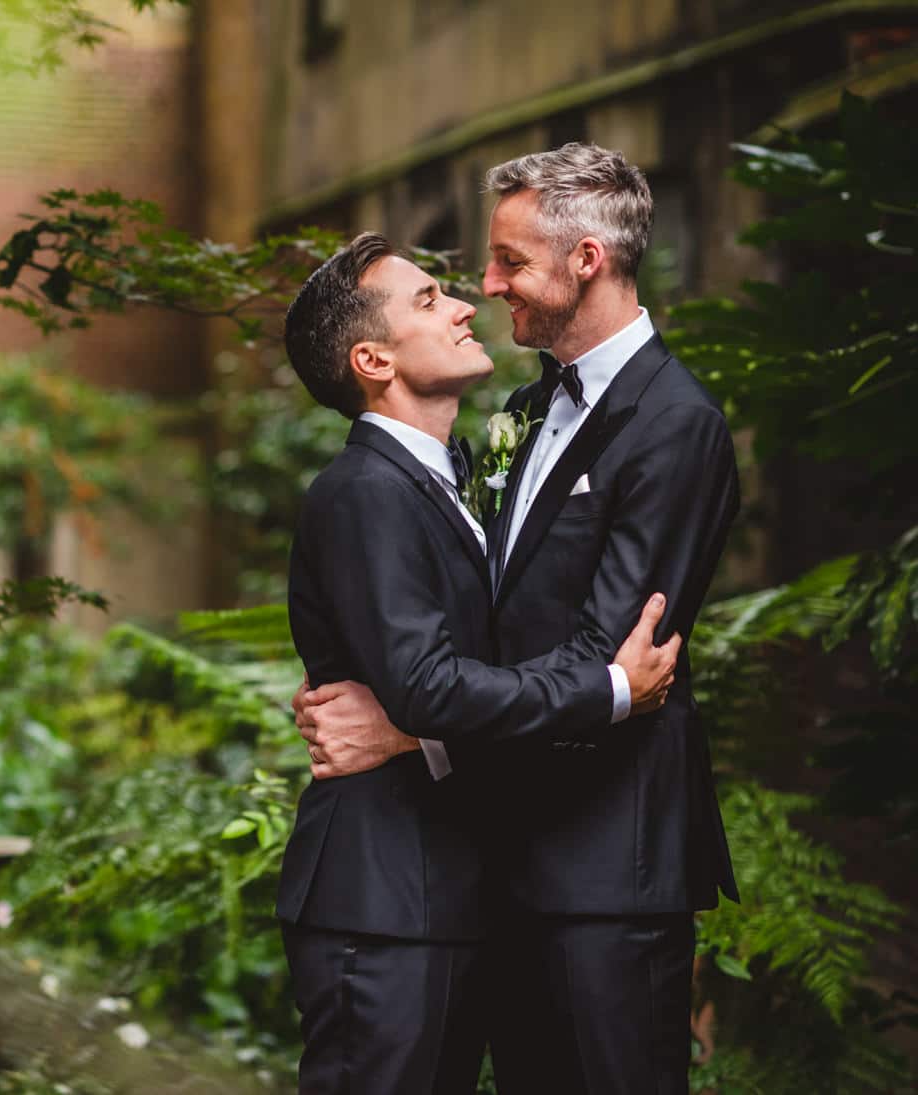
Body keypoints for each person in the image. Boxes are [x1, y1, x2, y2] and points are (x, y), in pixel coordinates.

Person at [293, 143, 741, 1094]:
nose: (485, 285)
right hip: (501, 869)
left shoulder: (675, 425)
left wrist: (410, 734)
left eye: (508, 261)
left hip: (606, 873)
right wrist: (426, 721)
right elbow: (481, 630)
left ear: (586, 259)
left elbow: (604, 652)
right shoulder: (529, 412)